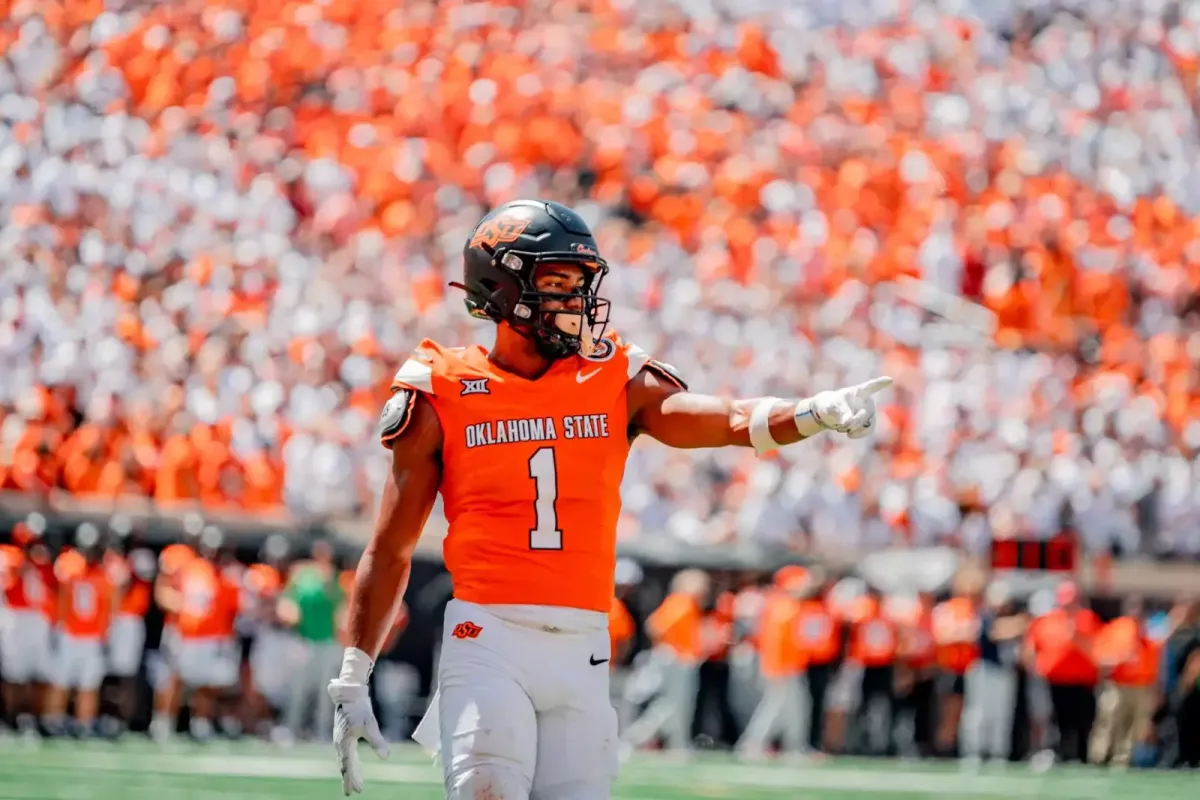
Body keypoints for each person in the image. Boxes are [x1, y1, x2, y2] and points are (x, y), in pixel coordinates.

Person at [327, 199, 891, 799]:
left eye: (580, 283)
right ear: (501, 286)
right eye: (556, 281)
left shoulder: (613, 375)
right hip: (488, 641)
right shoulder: (441, 386)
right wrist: (354, 673)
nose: (574, 300)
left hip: (585, 653)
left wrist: (809, 412)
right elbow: (391, 548)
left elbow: (723, 418)